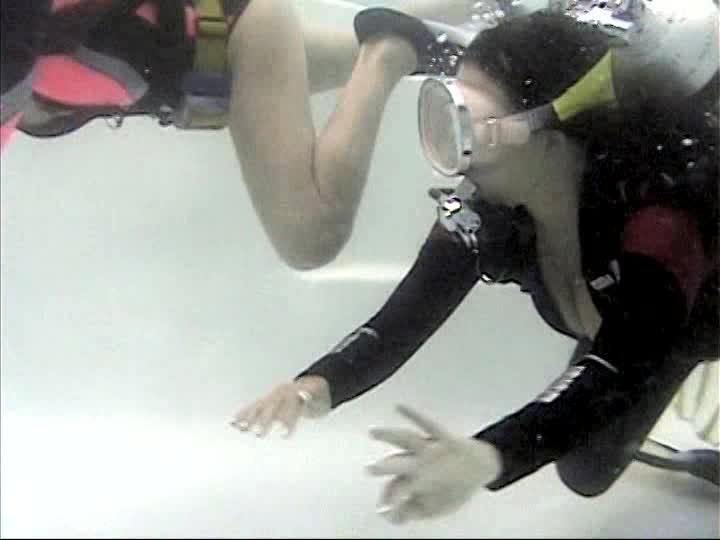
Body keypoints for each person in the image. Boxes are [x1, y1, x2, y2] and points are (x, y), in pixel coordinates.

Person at [232, 6, 719, 524]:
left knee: (611, 390)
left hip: (680, 326)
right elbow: (405, 318)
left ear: (548, 137)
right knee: (584, 472)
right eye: (444, 115)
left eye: (467, 123)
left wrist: (489, 455)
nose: (452, 150)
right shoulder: (491, 213)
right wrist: (315, 386)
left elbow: (618, 368)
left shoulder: (658, 220)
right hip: (646, 340)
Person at [0, 0, 473, 270]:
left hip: (238, 36)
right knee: (394, 45)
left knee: (310, 237)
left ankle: (390, 52)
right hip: (212, 61)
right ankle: (487, 21)